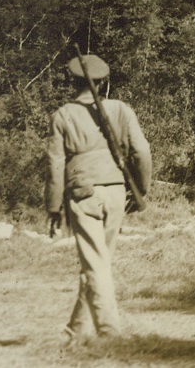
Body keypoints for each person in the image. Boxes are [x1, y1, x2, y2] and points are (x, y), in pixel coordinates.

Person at [45, 53, 152, 342]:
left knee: (95, 263)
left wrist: (53, 207)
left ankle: (110, 334)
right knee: (98, 262)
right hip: (117, 192)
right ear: (103, 83)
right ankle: (75, 330)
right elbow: (142, 151)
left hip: (83, 194)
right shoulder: (121, 109)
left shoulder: (63, 115)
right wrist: (140, 189)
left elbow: (55, 165)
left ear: (73, 82)